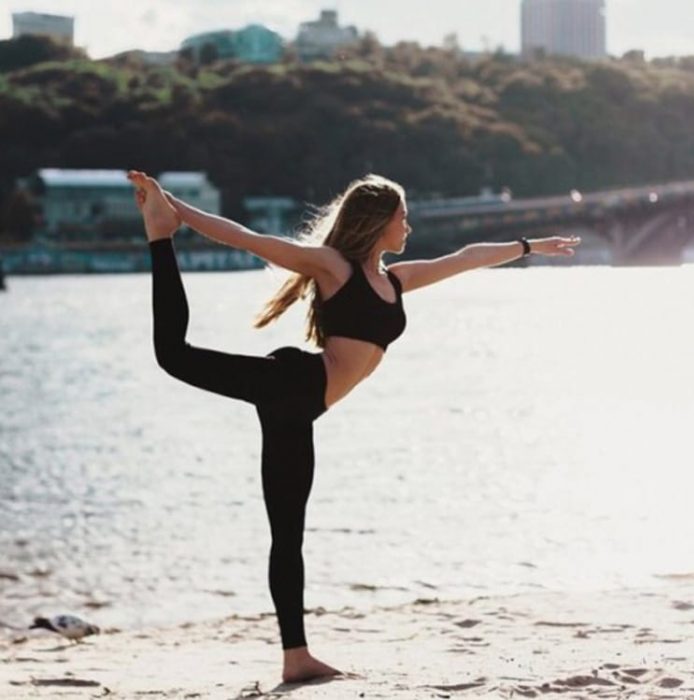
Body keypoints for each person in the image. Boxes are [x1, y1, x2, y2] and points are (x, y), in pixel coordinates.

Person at [127, 170, 579, 683]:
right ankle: (159, 235)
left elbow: (466, 257)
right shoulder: (333, 267)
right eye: (402, 216)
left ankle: (296, 657)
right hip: (290, 384)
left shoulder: (395, 280)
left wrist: (529, 246)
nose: (407, 225)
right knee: (173, 354)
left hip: (301, 409)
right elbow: (249, 239)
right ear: (379, 220)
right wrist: (177, 210)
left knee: (288, 534)